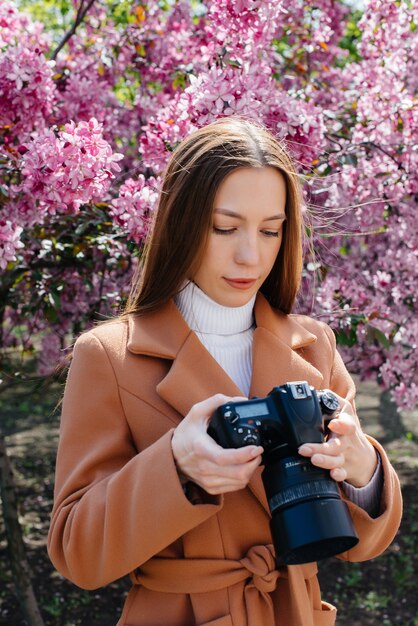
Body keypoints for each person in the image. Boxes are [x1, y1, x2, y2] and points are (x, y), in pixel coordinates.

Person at [48, 117, 402, 626]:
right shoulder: (110, 356)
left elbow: (363, 544)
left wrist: (363, 469)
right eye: (224, 227)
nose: (249, 255)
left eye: (270, 230)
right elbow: (77, 554)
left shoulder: (314, 345)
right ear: (183, 222)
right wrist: (177, 468)